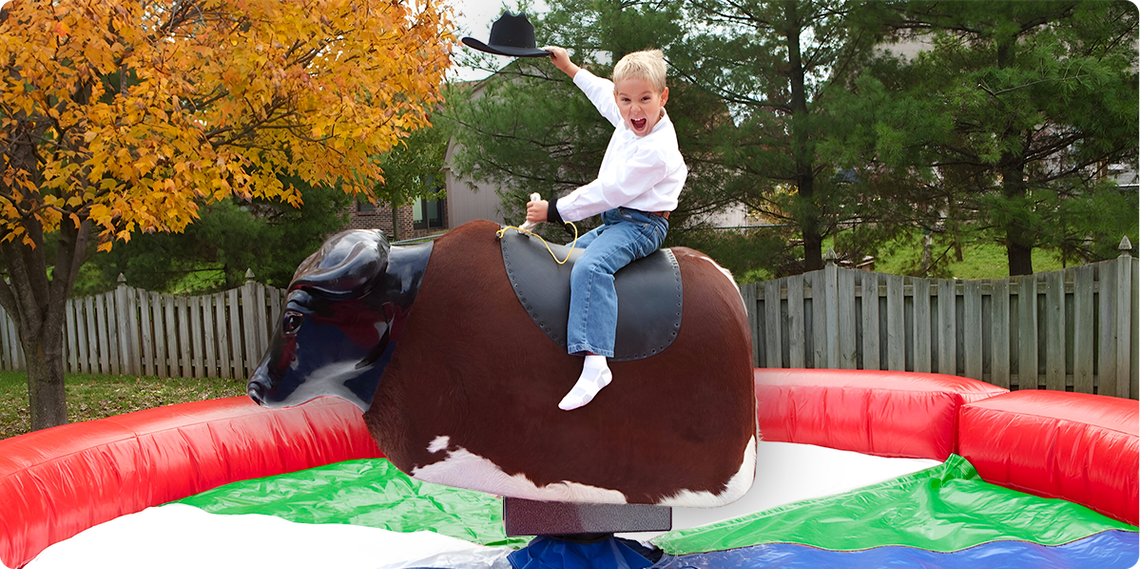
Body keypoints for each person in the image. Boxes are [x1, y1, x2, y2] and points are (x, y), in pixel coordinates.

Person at [526, 47, 686, 411]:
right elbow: (600, 92)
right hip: (618, 219)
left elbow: (609, 191)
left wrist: (553, 210)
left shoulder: (656, 151)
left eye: (645, 99)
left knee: (591, 267)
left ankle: (596, 362)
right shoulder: (628, 116)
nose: (634, 109)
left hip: (643, 225)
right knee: (567, 259)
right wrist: (568, 67)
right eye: (626, 100)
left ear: (662, 97)